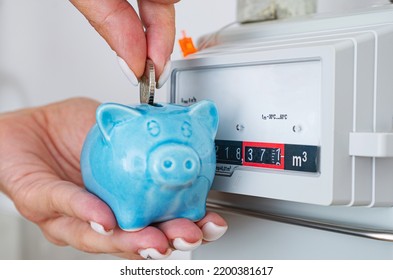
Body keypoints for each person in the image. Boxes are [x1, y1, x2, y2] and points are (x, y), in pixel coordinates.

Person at [0, 0, 227, 260]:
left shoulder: (197, 118)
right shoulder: (115, 122)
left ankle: (190, 207)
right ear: (112, 125)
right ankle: (132, 213)